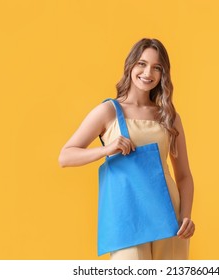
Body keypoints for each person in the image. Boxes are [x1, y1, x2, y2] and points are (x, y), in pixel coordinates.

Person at [58, 38, 195, 260]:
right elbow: (65, 156)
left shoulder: (169, 117)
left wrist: (185, 216)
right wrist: (106, 149)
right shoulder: (108, 111)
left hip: (169, 215)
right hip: (127, 217)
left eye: (156, 67)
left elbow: (184, 176)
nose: (148, 72)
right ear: (131, 65)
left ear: (163, 74)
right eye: (142, 63)